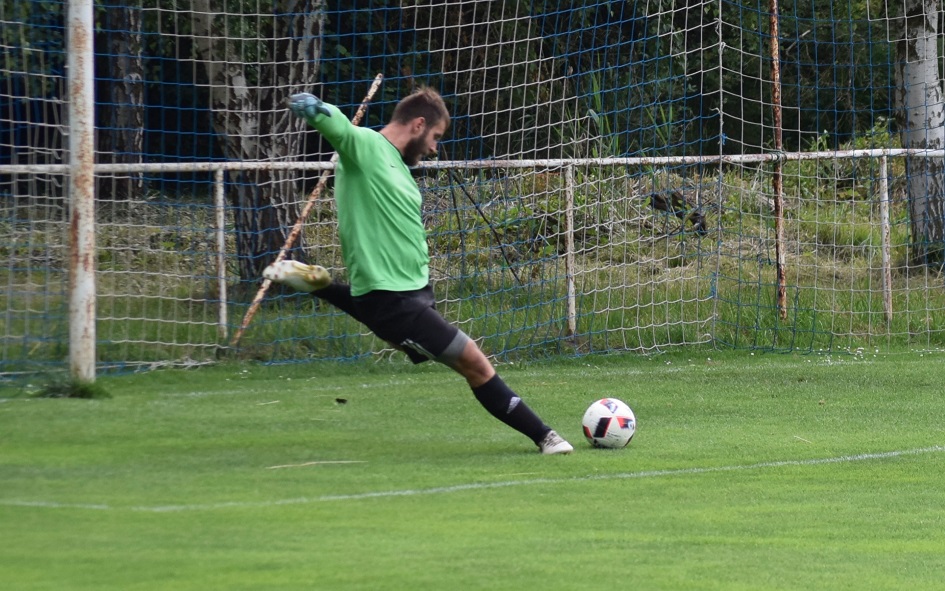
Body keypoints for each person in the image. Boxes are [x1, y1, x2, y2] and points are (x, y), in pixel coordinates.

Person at [263, 87, 573, 454]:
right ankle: (547, 438)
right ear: (418, 124)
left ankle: (321, 285)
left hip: (412, 293)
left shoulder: (398, 167)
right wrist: (314, 107)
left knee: (422, 350)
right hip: (393, 298)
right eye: (435, 137)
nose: (434, 148)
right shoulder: (366, 147)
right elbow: (340, 128)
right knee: (473, 361)